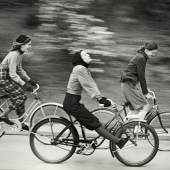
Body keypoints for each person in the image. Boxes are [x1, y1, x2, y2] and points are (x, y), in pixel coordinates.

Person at [63, 50, 129, 149]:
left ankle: (107, 139)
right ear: (80, 58)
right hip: (72, 104)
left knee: (94, 121)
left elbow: (90, 85)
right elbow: (89, 86)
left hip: (73, 102)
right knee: (95, 123)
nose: (88, 55)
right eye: (85, 54)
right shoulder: (80, 69)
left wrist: (101, 98)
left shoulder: (81, 68)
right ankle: (118, 142)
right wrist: (101, 99)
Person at [0, 34, 37, 130]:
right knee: (21, 97)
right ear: (22, 45)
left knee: (20, 98)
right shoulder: (14, 54)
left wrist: (29, 80)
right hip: (3, 78)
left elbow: (19, 70)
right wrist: (24, 85)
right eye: (28, 44)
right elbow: (13, 74)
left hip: (8, 77)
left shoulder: (19, 54)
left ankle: (22, 124)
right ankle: (3, 116)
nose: (30, 46)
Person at [120, 41, 158, 120]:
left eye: (155, 53)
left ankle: (126, 129)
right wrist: (145, 93)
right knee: (145, 106)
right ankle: (128, 121)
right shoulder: (141, 58)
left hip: (127, 84)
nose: (154, 55)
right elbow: (141, 76)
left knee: (135, 110)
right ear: (147, 50)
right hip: (128, 84)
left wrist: (145, 89)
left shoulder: (141, 56)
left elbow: (136, 75)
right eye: (153, 53)